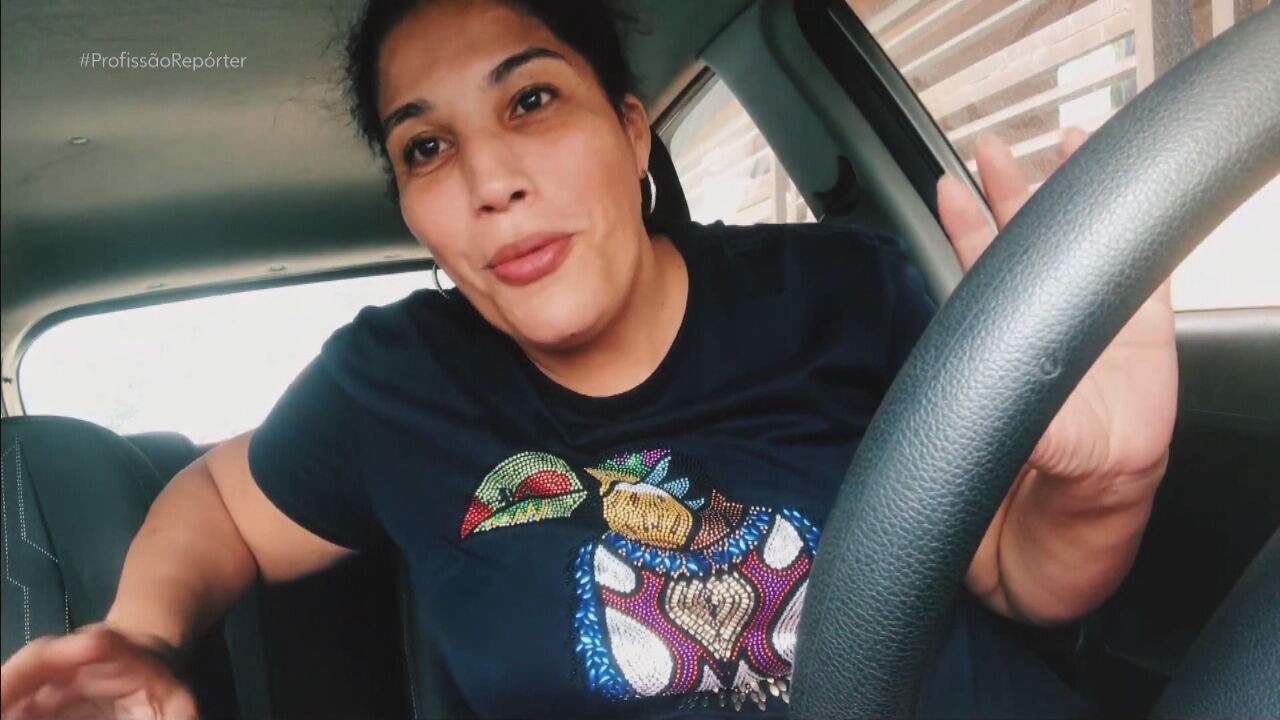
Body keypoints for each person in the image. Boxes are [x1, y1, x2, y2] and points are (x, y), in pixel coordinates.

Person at [0, 0, 1177, 718]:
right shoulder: (393, 385)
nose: (489, 180)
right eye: (424, 147)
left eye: (530, 101)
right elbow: (219, 500)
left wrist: (1104, 489)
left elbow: (1016, 576)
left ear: (626, 128)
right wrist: (142, 631)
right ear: (412, 208)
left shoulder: (839, 293)